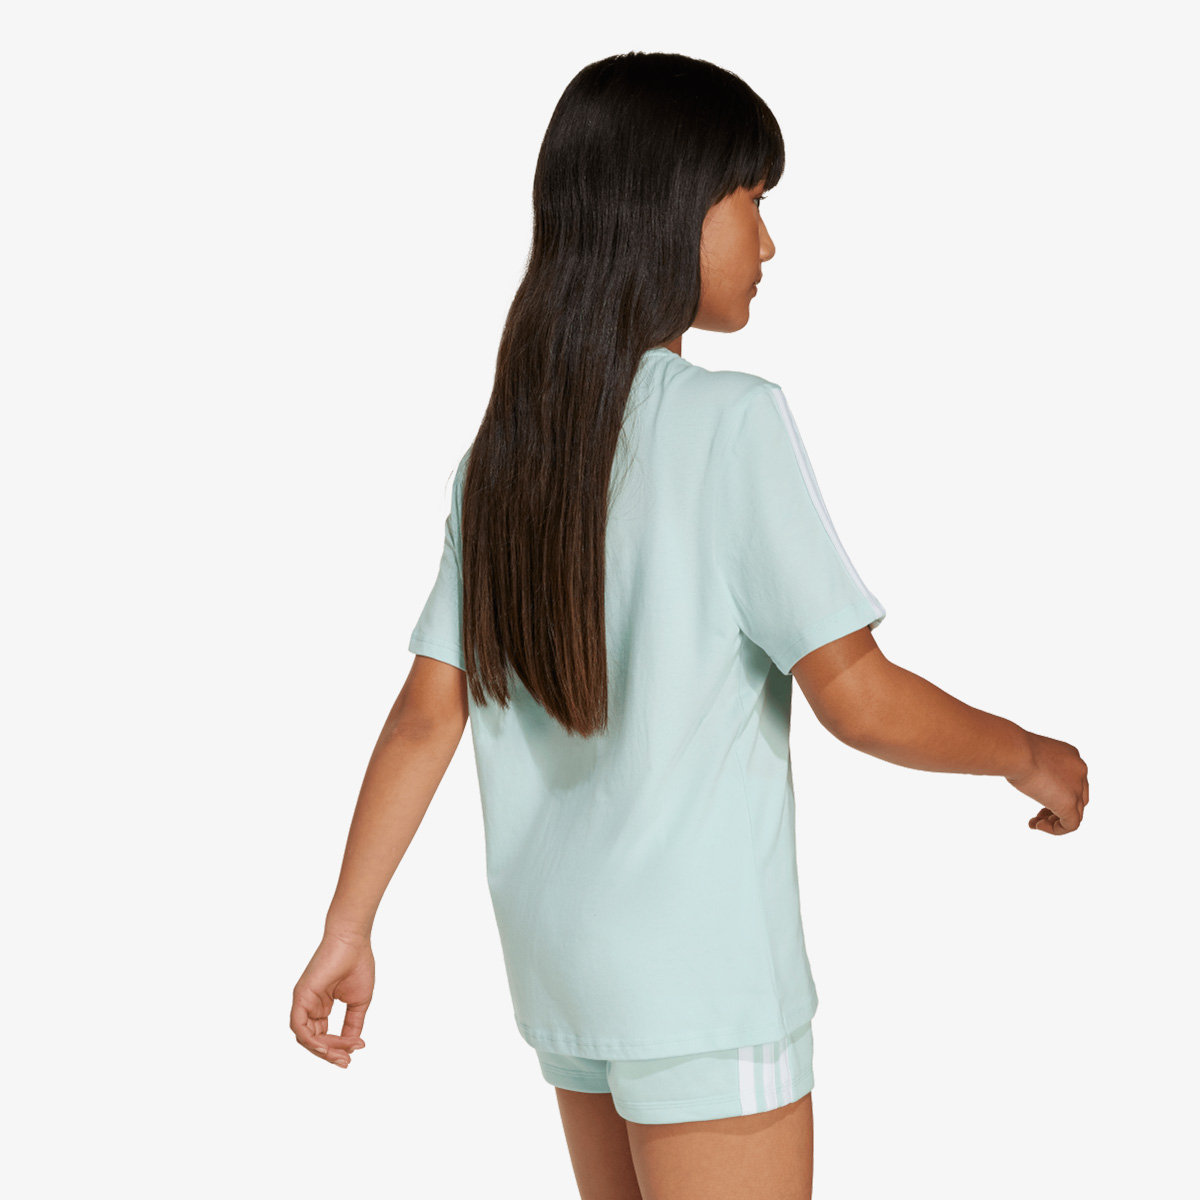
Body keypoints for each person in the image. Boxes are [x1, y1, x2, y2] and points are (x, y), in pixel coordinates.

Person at [290, 51, 1089, 1200]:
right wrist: (1031, 757)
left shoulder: (507, 454)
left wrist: (348, 925)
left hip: (566, 976)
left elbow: (427, 713)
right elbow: (857, 695)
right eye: (751, 199)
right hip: (705, 988)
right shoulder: (731, 424)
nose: (770, 243)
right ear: (668, 206)